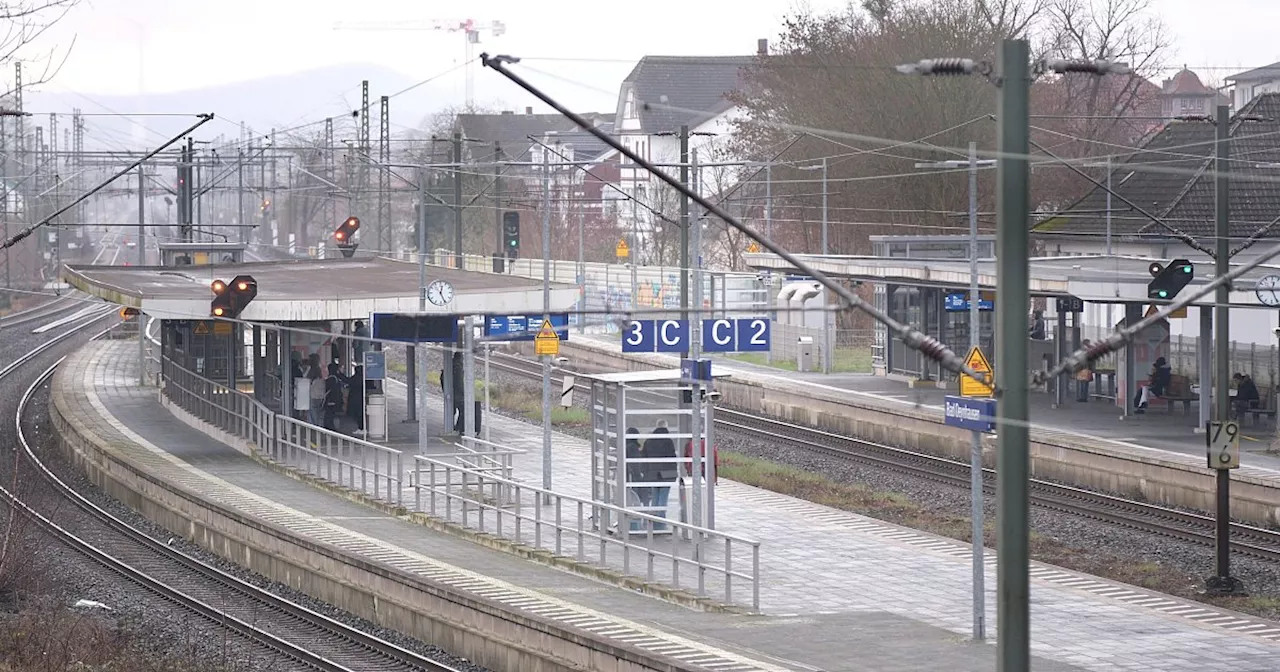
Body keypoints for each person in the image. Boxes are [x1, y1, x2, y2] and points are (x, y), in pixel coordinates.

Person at [644, 420, 678, 520]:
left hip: (652, 473)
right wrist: (674, 473)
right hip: (666, 474)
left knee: (655, 495)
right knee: (663, 495)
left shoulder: (649, 440)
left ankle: (654, 518)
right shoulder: (668, 440)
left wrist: (646, 472)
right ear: (666, 427)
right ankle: (661, 518)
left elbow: (644, 456)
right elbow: (672, 458)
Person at [625, 427, 649, 506]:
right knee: (642, 494)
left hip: (628, 475)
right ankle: (642, 511)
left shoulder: (626, 445)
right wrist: (639, 474)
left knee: (632, 495)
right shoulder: (633, 447)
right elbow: (635, 463)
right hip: (635, 476)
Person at [323, 362, 347, 431]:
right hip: (335, 400)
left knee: (329, 415)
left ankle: (329, 429)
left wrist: (330, 401)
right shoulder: (336, 378)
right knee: (331, 415)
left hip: (331, 400)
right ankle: (331, 429)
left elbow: (330, 390)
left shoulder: (331, 378)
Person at [347, 364, 367, 436]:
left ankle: (362, 428)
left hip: (356, 399)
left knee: (358, 414)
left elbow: (348, 381)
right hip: (361, 398)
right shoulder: (363, 378)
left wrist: (339, 375)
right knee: (360, 414)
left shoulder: (356, 378)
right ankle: (361, 428)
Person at [307, 353, 325, 426]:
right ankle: (319, 424)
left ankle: (313, 424)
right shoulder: (318, 369)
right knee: (319, 409)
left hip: (313, 393)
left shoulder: (312, 370)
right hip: (320, 393)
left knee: (313, 409)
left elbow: (308, 379)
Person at [291, 352, 310, 421]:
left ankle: (295, 418)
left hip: (297, 388)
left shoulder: (291, 369)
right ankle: (296, 418)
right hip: (300, 388)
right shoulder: (297, 370)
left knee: (295, 404)